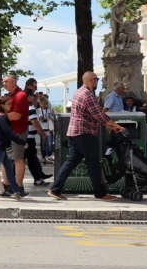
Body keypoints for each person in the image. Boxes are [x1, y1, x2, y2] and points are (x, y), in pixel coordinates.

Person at [49, 72, 125, 201]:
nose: (98, 81)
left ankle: (55, 189)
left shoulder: (78, 92)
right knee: (93, 163)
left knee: (71, 162)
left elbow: (92, 114)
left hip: (74, 133)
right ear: (91, 80)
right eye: (96, 79)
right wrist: (115, 125)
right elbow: (99, 115)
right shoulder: (88, 95)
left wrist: (108, 125)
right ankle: (100, 193)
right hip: (85, 134)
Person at [0, 96, 28, 201]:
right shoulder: (2, 118)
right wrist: (22, 142)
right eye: (9, 104)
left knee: (9, 170)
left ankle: (17, 191)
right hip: (0, 147)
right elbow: (9, 132)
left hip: (2, 146)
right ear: (2, 105)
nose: (11, 105)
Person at [3, 75, 30, 192]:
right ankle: (6, 183)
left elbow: (16, 115)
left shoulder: (20, 95)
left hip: (18, 131)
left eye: (6, 82)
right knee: (4, 158)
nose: (4, 84)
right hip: (8, 131)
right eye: (3, 82)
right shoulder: (10, 95)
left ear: (13, 82)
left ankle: (19, 185)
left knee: (18, 159)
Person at [25, 92, 52, 186]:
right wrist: (42, 133)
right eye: (34, 96)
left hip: (29, 137)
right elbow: (35, 122)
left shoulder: (29, 106)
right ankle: (7, 181)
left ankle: (38, 177)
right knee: (20, 160)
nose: (36, 98)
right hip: (28, 138)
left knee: (32, 159)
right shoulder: (30, 107)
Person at [38, 98, 57, 164]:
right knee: (43, 144)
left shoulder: (50, 110)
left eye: (44, 104)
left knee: (49, 144)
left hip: (49, 128)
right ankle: (43, 157)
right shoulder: (38, 110)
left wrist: (51, 117)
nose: (43, 105)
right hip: (42, 129)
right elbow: (36, 119)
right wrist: (39, 118)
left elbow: (53, 117)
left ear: (47, 104)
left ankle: (49, 156)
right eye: (42, 104)